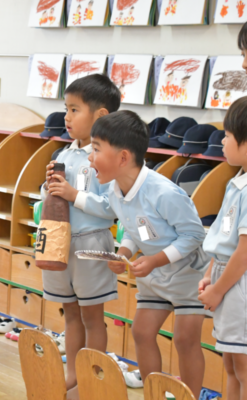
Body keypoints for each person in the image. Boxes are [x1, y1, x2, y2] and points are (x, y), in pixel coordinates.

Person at [87, 110, 207, 398]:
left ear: (123, 158)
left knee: (185, 340)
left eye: (96, 149)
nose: (90, 157)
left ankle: (190, 396)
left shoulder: (164, 193)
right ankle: (154, 393)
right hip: (154, 276)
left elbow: (194, 236)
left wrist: (155, 260)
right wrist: (123, 252)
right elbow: (135, 229)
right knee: (141, 332)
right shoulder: (115, 190)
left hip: (188, 276)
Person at [42, 74, 120, 396]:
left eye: (75, 110)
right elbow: (52, 197)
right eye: (66, 109)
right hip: (61, 240)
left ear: (100, 116)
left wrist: (74, 195)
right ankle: (73, 375)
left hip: (92, 243)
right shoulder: (63, 154)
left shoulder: (108, 156)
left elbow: (112, 208)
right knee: (71, 314)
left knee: (92, 317)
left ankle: (92, 378)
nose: (67, 117)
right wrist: (48, 187)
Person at [200, 97, 247, 400]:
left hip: (238, 283)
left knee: (242, 366)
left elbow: (244, 251)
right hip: (225, 276)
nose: (222, 141)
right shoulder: (237, 181)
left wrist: (218, 289)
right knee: (230, 363)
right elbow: (222, 237)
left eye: (228, 136)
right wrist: (209, 275)